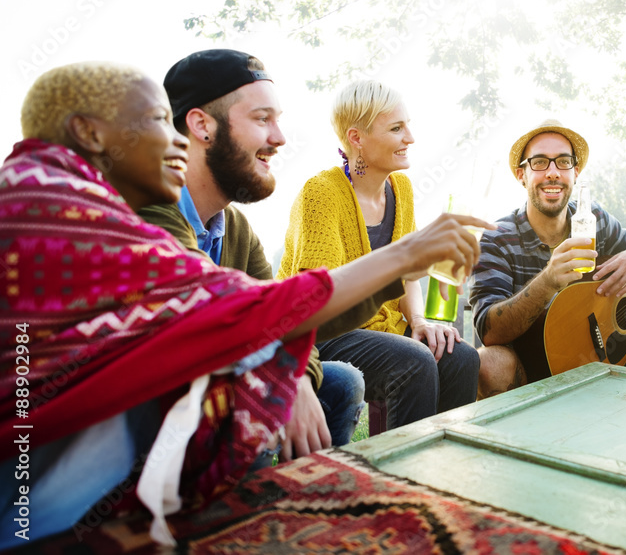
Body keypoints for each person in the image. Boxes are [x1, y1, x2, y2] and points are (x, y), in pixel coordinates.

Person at [0, 62, 485, 547]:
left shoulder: (197, 223)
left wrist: (420, 307)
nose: (174, 140)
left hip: (87, 449)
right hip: (26, 495)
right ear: (89, 132)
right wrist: (404, 256)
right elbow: (237, 312)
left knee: (430, 356)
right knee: (248, 376)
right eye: (155, 121)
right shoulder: (55, 209)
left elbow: (263, 316)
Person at [139, 48, 365, 455]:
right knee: (249, 390)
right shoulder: (148, 209)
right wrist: (280, 378)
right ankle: (236, 516)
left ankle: (310, 497)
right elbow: (206, 328)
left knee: (340, 382)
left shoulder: (236, 228)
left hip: (214, 379)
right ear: (202, 125)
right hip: (139, 409)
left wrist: (294, 377)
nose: (279, 138)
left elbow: (289, 320)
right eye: (262, 119)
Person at [277, 79, 480, 430]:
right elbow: (320, 300)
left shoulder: (401, 189)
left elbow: (408, 273)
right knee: (414, 359)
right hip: (322, 334)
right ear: (357, 138)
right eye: (397, 128)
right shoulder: (321, 193)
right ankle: (401, 473)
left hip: (385, 329)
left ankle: (445, 460)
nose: (410, 138)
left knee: (458, 355)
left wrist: (419, 322)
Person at [471, 120, 626, 397]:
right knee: (489, 363)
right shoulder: (496, 238)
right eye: (538, 163)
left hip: (606, 361)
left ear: (576, 172)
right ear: (520, 174)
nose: (552, 173)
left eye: (563, 162)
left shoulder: (594, 218)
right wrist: (547, 281)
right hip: (531, 377)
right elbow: (488, 331)